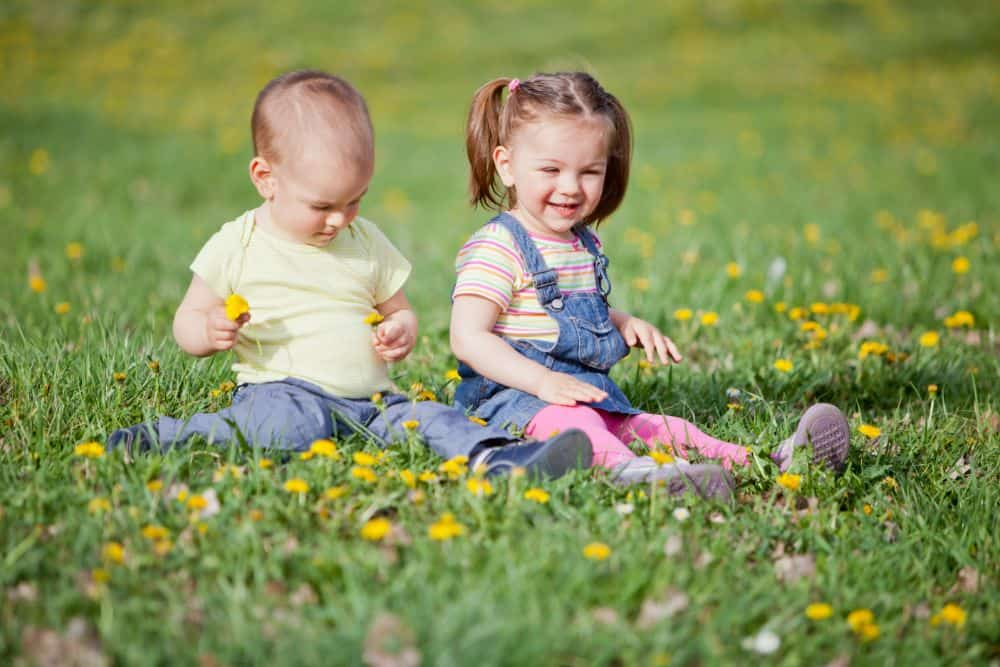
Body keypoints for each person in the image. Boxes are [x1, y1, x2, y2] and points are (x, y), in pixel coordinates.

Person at [106, 69, 593, 479]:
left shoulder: (365, 241)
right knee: (285, 428)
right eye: (322, 205)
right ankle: (160, 440)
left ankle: (500, 459)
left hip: (374, 398)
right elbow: (187, 319)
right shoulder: (239, 243)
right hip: (285, 390)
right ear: (265, 178)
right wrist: (206, 330)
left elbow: (399, 312)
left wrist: (400, 331)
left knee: (429, 418)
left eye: (354, 200)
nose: (340, 219)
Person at [449, 72, 851, 498]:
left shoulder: (579, 242)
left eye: (589, 172)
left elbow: (558, 313)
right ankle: (637, 475)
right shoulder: (499, 246)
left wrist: (622, 323)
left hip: (583, 393)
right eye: (551, 169)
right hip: (515, 401)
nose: (570, 188)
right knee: (582, 429)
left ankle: (774, 461)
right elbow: (468, 337)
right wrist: (541, 383)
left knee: (664, 427)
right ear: (506, 165)